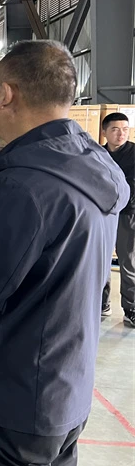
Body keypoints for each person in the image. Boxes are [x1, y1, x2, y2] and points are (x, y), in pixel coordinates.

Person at [0, 41, 129, 466]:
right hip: (66, 389)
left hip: (10, 396)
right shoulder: (96, 167)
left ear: (6, 94)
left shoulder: (22, 184)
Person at [100, 112, 135, 325]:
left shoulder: (134, 153)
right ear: (104, 132)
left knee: (128, 262)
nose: (121, 134)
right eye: (115, 129)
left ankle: (131, 307)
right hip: (103, 213)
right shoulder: (97, 154)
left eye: (125, 129)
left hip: (128, 213)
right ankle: (102, 303)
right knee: (101, 260)